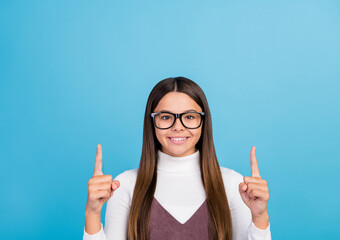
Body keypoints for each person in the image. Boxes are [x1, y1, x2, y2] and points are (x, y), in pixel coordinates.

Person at [83, 77, 272, 240]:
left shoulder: (233, 185)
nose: (178, 127)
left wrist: (260, 216)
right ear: (152, 123)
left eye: (189, 117)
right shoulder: (126, 185)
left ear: (203, 122)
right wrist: (92, 213)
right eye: (166, 117)